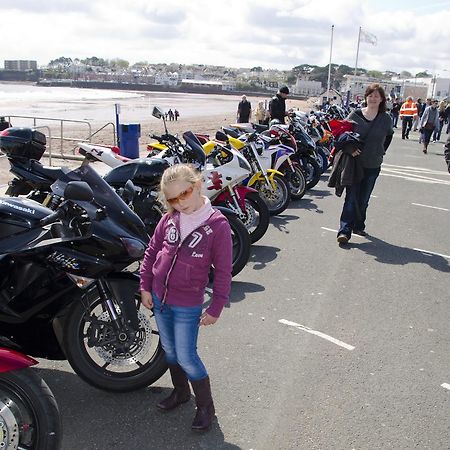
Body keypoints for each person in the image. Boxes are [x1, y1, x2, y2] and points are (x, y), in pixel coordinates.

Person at [139, 164, 232, 432]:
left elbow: (224, 272)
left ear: (198, 185)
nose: (179, 203)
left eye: (185, 194)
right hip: (159, 297)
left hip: (187, 304)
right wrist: (145, 285)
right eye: (172, 199)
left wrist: (216, 307)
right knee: (169, 350)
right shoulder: (169, 219)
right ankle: (180, 393)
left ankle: (205, 406)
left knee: (187, 356)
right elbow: (152, 251)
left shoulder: (217, 226)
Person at [336, 83, 394, 244]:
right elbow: (341, 134)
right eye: (370, 95)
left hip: (373, 164)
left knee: (364, 199)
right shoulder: (355, 115)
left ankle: (358, 225)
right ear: (365, 97)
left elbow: (389, 135)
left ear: (382, 99)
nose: (373, 98)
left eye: (376, 96)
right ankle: (344, 231)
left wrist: (381, 150)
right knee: (351, 197)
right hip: (354, 164)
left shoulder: (385, 118)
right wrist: (350, 149)